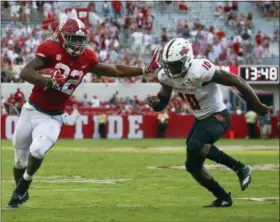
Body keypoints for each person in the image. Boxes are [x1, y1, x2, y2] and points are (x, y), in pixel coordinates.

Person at [7, 18, 160, 208]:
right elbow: (26, 72)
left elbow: (115, 69)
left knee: (37, 150)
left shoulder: (87, 57)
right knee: (19, 158)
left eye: (81, 39)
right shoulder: (50, 49)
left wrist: (144, 69)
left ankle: (25, 183)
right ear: (62, 37)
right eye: (73, 38)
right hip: (31, 110)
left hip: (54, 115)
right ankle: (21, 190)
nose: (77, 43)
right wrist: (47, 81)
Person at [148, 38, 272, 208]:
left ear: (187, 61)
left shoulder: (200, 70)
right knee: (192, 166)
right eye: (168, 64)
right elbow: (163, 100)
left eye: (175, 64)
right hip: (201, 119)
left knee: (196, 144)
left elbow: (237, 81)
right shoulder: (166, 75)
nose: (171, 69)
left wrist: (258, 106)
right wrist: (156, 104)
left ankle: (241, 168)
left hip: (218, 115)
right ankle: (223, 198)